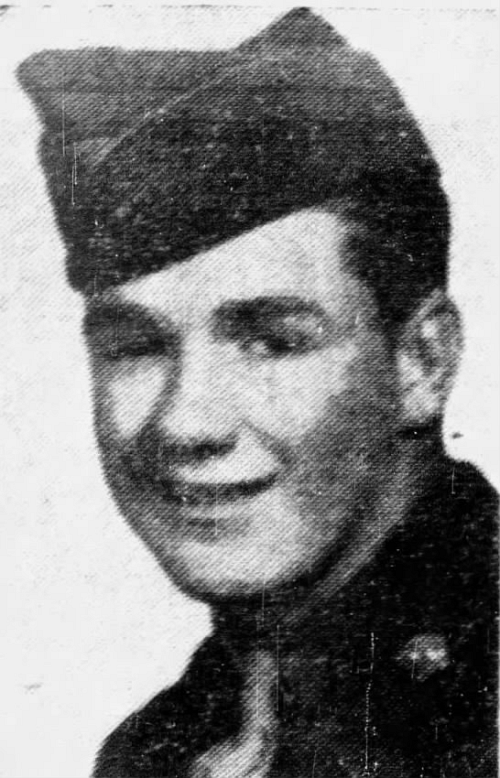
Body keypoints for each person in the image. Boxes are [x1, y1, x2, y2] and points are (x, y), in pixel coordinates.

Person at [18, 8, 497, 777]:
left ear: (422, 362)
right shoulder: (162, 746)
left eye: (273, 341)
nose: (184, 422)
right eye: (136, 347)